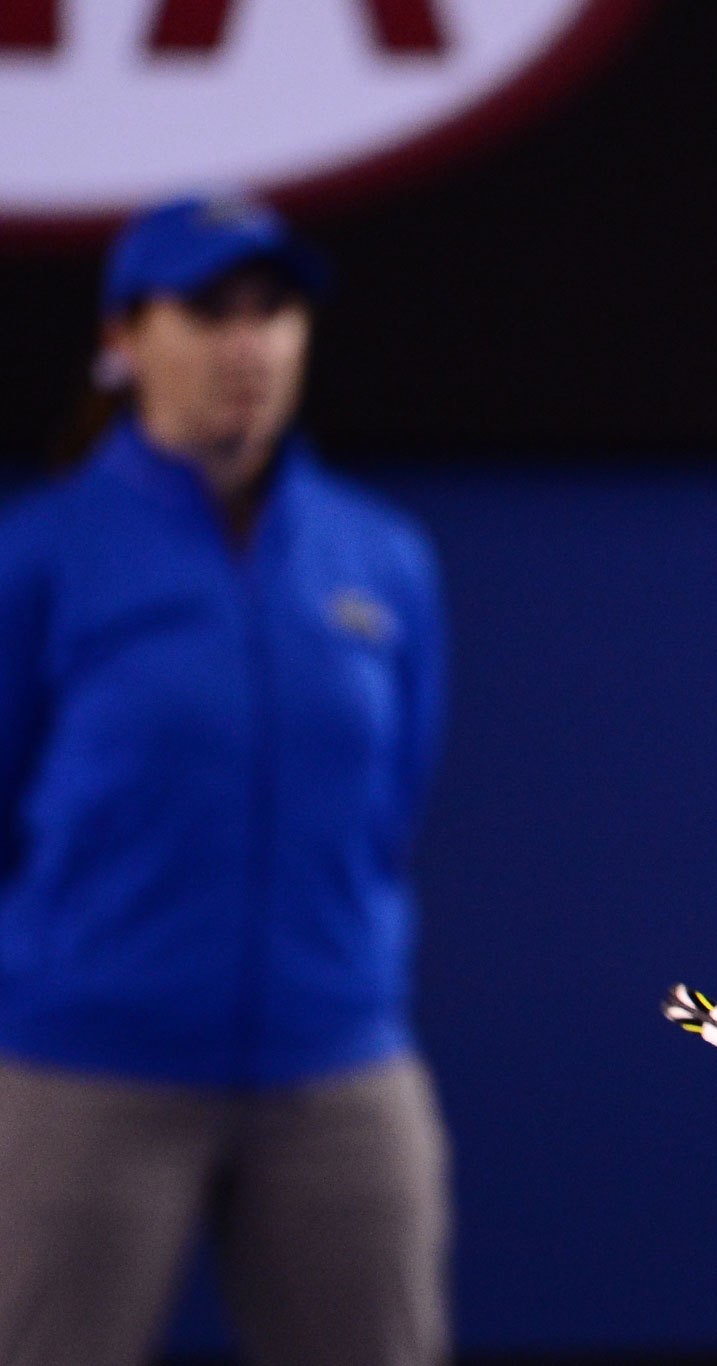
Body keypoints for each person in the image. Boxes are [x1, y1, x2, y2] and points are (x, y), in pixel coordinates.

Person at [0, 196, 450, 1366]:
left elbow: (391, 804)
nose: (246, 344)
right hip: (84, 1070)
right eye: (208, 311)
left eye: (273, 310)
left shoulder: (382, 559)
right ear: (124, 337)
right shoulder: (37, 555)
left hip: (336, 1065)